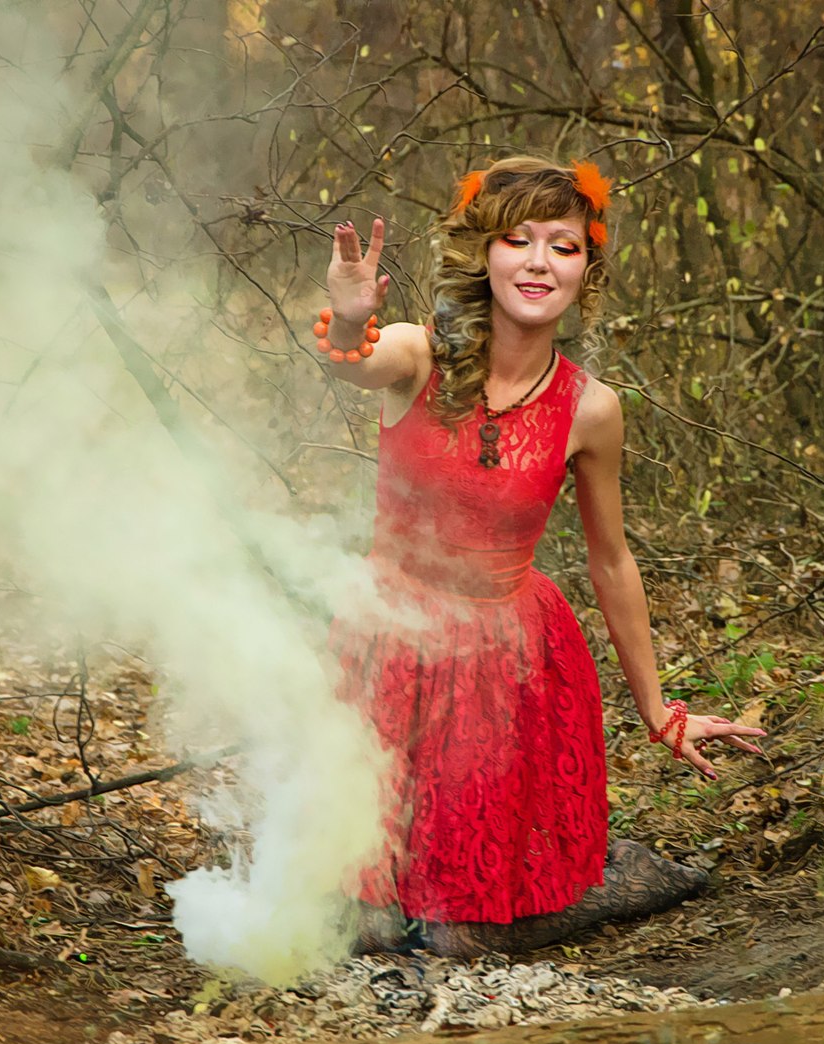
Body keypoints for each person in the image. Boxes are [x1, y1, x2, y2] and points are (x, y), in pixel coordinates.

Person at [318, 157, 766, 957]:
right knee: (364, 922)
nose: (537, 261)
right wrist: (349, 319)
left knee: (455, 934)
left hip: (507, 667)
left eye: (562, 246)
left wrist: (658, 710)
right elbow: (349, 365)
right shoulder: (418, 356)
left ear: (586, 269)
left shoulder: (592, 410)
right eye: (517, 240)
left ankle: (623, 878)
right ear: (483, 255)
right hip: (391, 645)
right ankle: (571, 872)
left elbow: (613, 561)